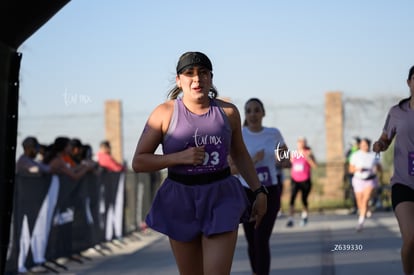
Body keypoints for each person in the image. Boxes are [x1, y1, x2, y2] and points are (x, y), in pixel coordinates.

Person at [131, 51, 267, 275]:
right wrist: (178, 157)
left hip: (220, 195)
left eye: (203, 73)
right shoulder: (164, 113)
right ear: (179, 80)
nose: (197, 79)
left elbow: (240, 153)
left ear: (211, 78)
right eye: (189, 73)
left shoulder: (228, 112)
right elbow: (139, 161)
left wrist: (259, 191)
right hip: (180, 198)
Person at [228, 97, 289, 275]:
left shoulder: (273, 133)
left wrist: (283, 161)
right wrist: (253, 160)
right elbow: (230, 169)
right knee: (252, 240)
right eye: (249, 111)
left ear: (263, 113)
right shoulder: (239, 135)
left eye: (256, 110)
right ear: (245, 115)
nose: (253, 114)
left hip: (270, 190)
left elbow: (286, 157)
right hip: (246, 193)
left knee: (261, 238)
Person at [373, 65, 414, 275]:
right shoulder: (397, 112)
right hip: (404, 183)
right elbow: (385, 139)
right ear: (409, 83)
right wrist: (379, 145)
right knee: (411, 239)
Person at [349, 137, 381, 231]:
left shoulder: (374, 155)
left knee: (365, 199)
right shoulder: (355, 155)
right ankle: (365, 210)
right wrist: (357, 169)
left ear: (369, 145)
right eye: (362, 145)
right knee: (359, 200)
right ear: (360, 146)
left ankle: (361, 222)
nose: (364, 146)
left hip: (370, 180)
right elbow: (350, 169)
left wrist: (377, 169)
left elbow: (379, 167)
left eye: (366, 145)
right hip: (358, 179)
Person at [286, 136, 317, 227]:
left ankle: (304, 217)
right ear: (297, 143)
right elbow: (290, 164)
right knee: (292, 199)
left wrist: (308, 157)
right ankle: (291, 219)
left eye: (303, 142)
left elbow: (314, 166)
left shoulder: (309, 153)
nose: (301, 143)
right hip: (295, 180)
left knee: (304, 199)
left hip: (305, 180)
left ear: (305, 143)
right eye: (299, 142)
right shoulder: (294, 153)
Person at [345, 136, 361, 214]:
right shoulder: (350, 151)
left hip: (361, 174)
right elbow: (347, 161)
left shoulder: (362, 151)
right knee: (354, 191)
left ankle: (361, 206)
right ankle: (355, 206)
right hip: (352, 174)